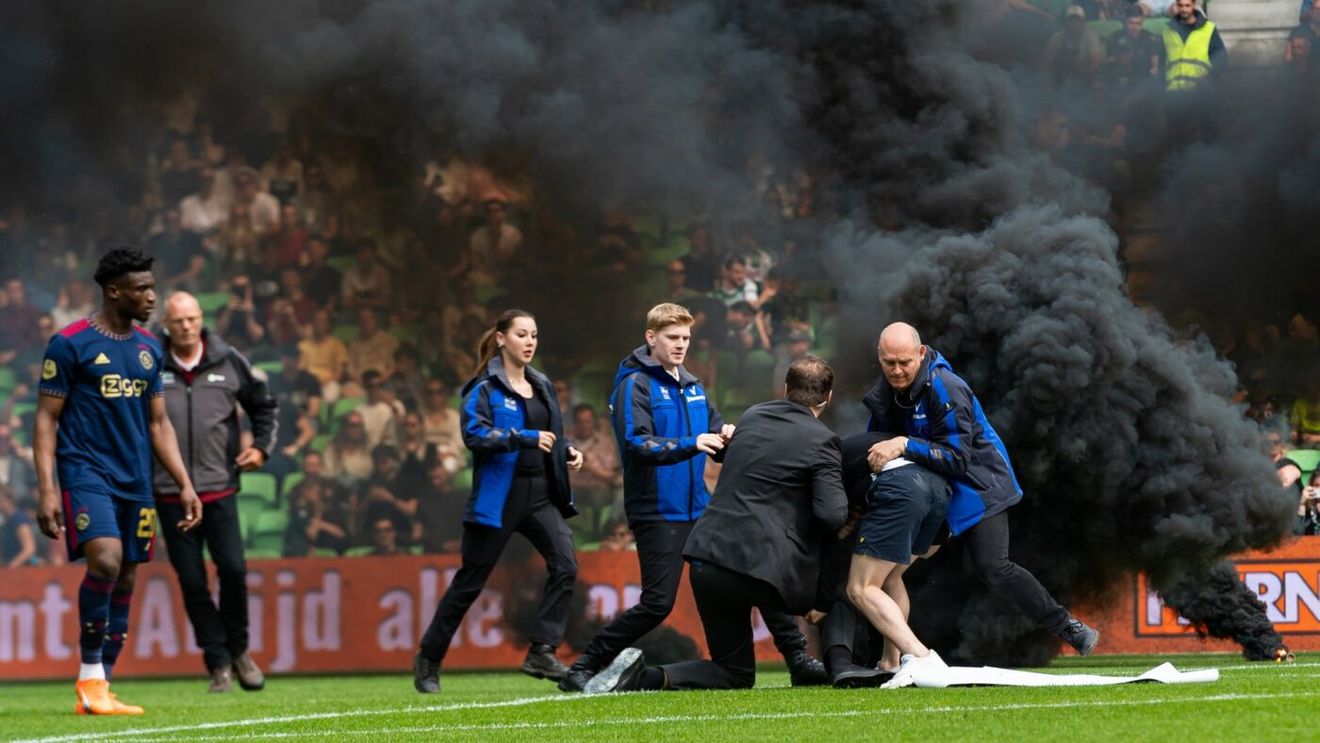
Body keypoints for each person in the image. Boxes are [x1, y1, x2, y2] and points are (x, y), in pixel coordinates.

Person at [560, 303, 828, 693]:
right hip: (657, 510)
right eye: (672, 337)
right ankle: (583, 666)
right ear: (651, 338)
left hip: (701, 508)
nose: (681, 344)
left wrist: (729, 434)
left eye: (686, 337)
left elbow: (715, 429)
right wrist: (694, 443)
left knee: (759, 568)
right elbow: (637, 444)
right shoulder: (634, 384)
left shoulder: (693, 385)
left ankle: (798, 659)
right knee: (657, 603)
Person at [861, 323, 1099, 657]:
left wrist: (903, 444)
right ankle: (892, 661)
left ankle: (1068, 628)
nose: (897, 370)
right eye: (889, 363)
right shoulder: (886, 393)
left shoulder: (946, 386)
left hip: (978, 487)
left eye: (905, 362)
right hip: (934, 490)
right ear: (879, 358)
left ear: (921, 353)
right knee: (890, 569)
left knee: (993, 566)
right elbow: (875, 446)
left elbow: (957, 458)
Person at [33, 248, 203, 715]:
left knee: (127, 572)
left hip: (137, 480)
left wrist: (184, 483)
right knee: (105, 561)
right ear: (114, 292)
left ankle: (101, 687)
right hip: (85, 472)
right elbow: (47, 419)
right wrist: (48, 488)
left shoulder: (149, 349)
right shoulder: (70, 344)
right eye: (142, 289)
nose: (152, 297)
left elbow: (159, 425)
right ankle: (89, 678)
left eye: (152, 287)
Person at [414, 310, 584, 693]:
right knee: (470, 583)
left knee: (566, 565)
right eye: (522, 334)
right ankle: (429, 658)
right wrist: (524, 437)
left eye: (534, 335)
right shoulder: (483, 389)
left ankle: (542, 649)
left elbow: (554, 432)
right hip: (499, 496)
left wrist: (568, 450)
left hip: (540, 493)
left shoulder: (542, 385)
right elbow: (475, 436)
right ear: (502, 339)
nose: (530, 342)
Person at [154, 291, 278, 693]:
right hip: (170, 492)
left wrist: (261, 447)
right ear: (166, 325)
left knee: (234, 572)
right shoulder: (149, 363)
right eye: (179, 322)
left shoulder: (229, 360)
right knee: (191, 581)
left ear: (201, 319)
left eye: (192, 319)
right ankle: (218, 662)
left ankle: (240, 651)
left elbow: (264, 406)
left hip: (219, 489)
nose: (187, 327)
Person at [844, 430, 952, 689]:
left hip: (902, 488)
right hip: (939, 491)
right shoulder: (867, 441)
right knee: (892, 577)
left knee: (861, 588)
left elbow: (829, 508)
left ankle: (920, 655)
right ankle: (890, 662)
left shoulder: (829, 455)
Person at [1163, 0, 1226, 91]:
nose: (1184, 9)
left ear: (1193, 6)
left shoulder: (1208, 29)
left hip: (1200, 91)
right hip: (1173, 91)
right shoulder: (1167, 31)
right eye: (1181, 6)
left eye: (1187, 6)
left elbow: (1221, 58)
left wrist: (1209, 78)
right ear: (1176, 6)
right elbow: (1161, 60)